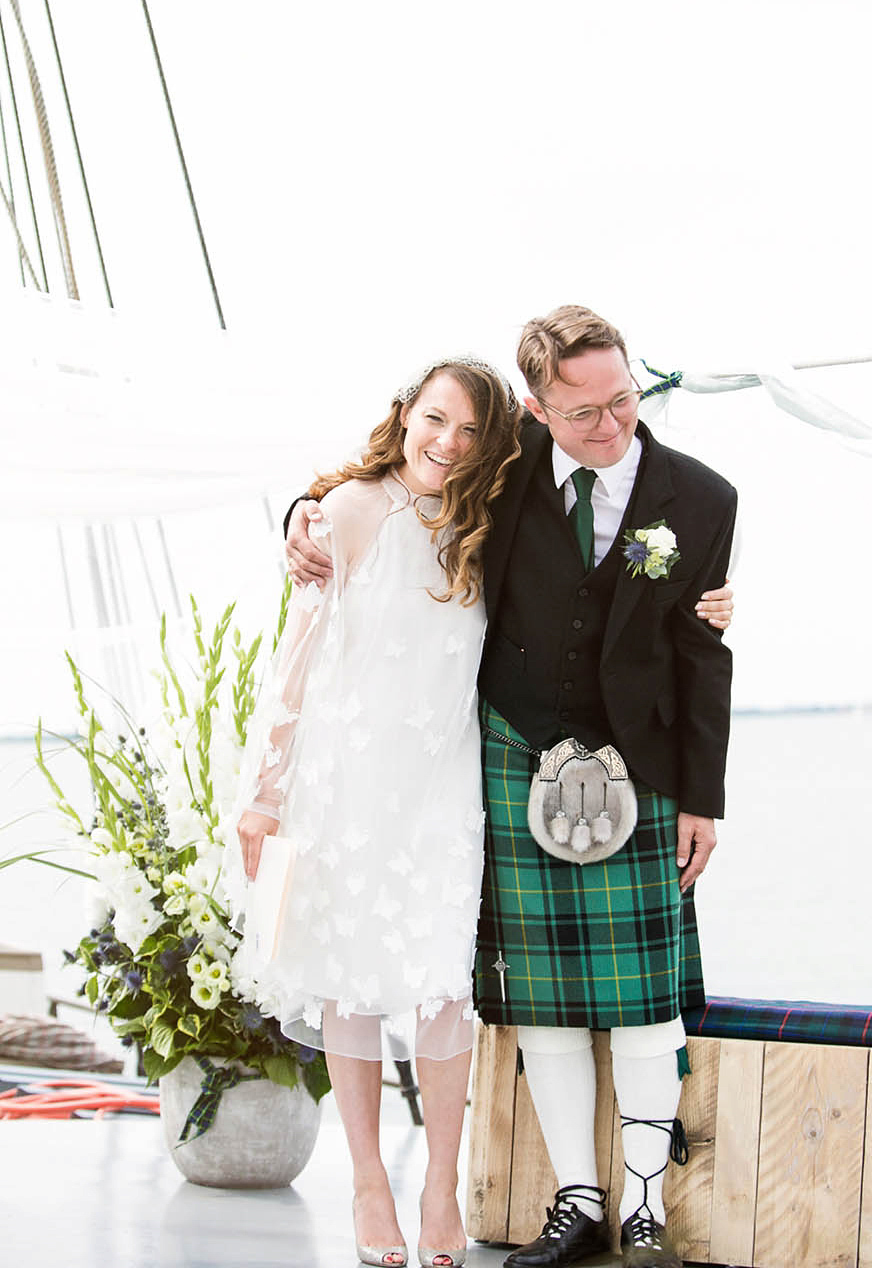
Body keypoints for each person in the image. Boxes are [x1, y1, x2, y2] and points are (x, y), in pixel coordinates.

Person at [285, 307, 737, 1268]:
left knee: (646, 1003)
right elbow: (394, 480)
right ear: (536, 409)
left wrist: (705, 796)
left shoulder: (702, 497)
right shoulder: (509, 464)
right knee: (538, 1002)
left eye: (624, 400)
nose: (610, 425)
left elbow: (704, 659)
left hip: (643, 767)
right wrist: (297, 516)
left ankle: (646, 1208)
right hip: (511, 753)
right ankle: (577, 1203)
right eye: (582, 413)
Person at [235, 357, 522, 1268]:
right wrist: (265, 792)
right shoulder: (348, 512)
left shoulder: (492, 521)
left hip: (444, 788)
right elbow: (301, 657)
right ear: (405, 415)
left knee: (443, 986)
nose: (449, 443)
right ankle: (367, 1181)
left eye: (472, 431)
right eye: (436, 420)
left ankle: (440, 1184)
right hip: (345, 785)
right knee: (348, 981)